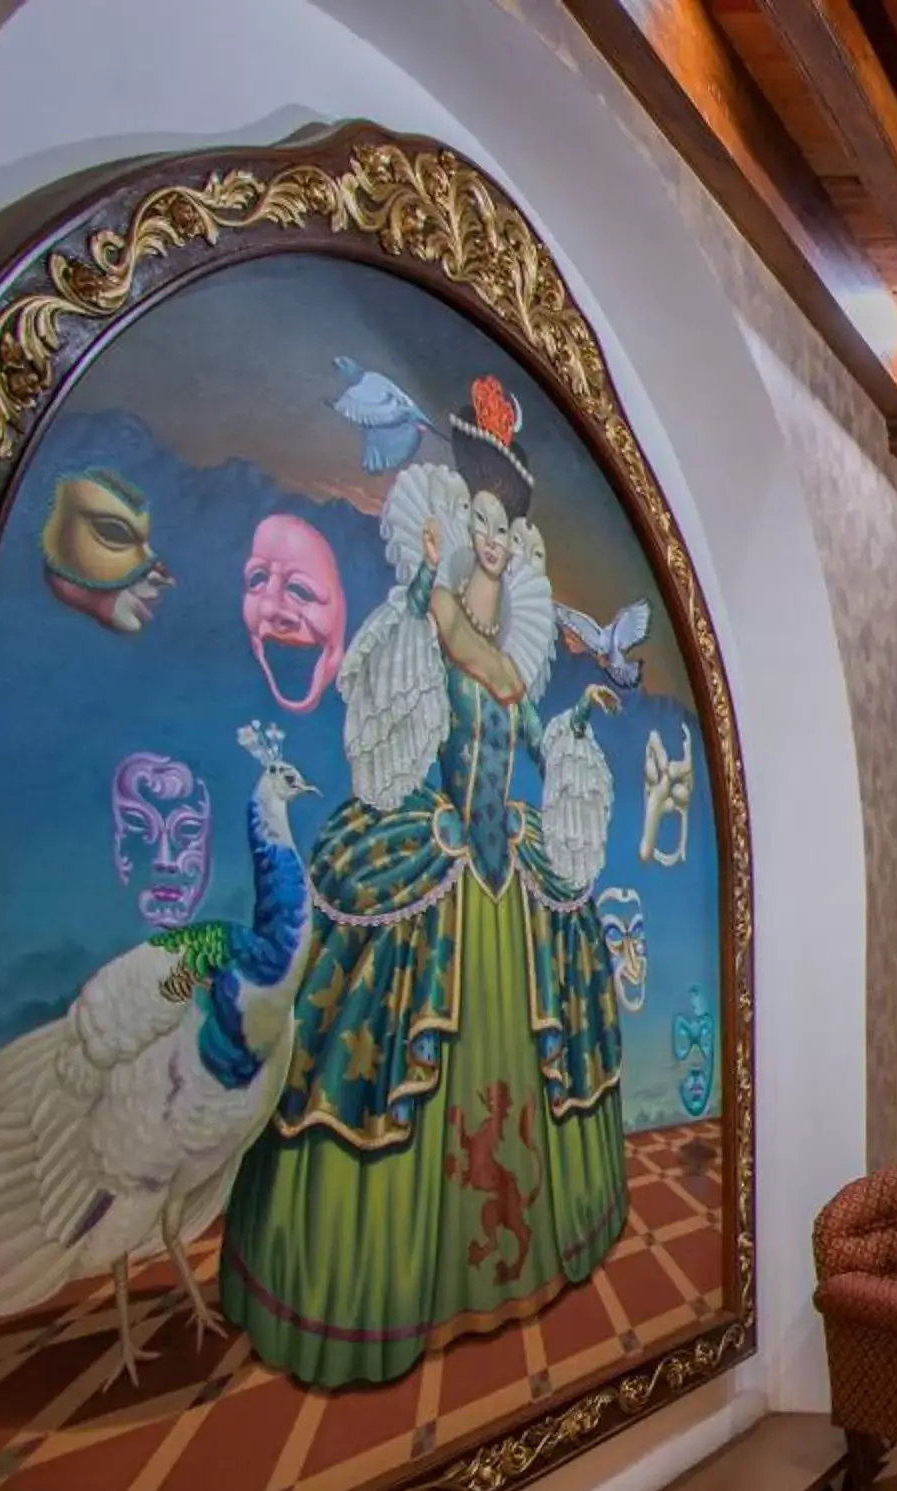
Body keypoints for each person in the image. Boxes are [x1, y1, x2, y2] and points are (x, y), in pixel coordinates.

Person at [217, 374, 626, 1389]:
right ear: (456, 520)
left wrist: (571, 733)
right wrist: (427, 598)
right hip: (431, 862)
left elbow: (529, 736)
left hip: (500, 874)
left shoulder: (510, 658)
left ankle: (520, 1248)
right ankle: (383, 1285)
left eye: (504, 525)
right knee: (375, 1042)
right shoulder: (421, 630)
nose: (493, 536)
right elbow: (393, 737)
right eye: (481, 516)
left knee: (558, 1010)